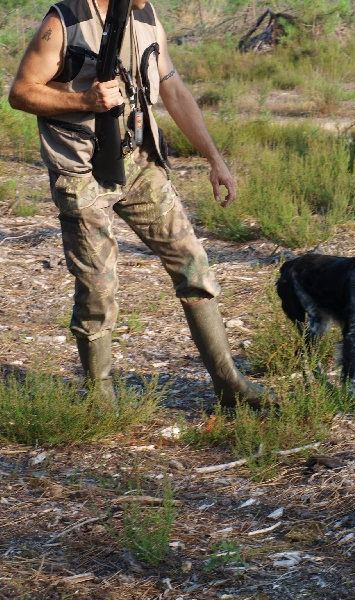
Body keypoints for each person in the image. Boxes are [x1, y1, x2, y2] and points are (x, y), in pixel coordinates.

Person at [8, 0, 270, 409]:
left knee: (192, 263)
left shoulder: (146, 16)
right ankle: (101, 398)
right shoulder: (65, 20)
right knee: (97, 286)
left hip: (139, 163)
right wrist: (83, 102)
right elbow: (21, 92)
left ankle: (229, 384)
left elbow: (174, 89)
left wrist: (214, 159)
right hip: (80, 172)